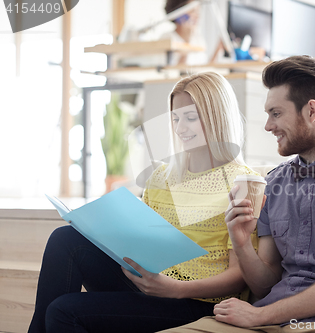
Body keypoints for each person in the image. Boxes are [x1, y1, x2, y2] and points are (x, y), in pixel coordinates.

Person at [160, 56, 315, 333]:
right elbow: (264, 283)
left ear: (312, 111)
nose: (268, 125)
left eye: (276, 113)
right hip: (271, 320)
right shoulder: (274, 183)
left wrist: (260, 316)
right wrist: (241, 244)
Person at [28, 72, 259, 333]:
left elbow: (240, 275)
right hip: (151, 283)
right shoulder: (162, 176)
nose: (181, 128)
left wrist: (175, 289)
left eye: (191, 118)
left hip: (197, 301)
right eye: (176, 118)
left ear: (217, 117)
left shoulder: (244, 184)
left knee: (63, 311)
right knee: (65, 239)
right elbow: (144, 242)